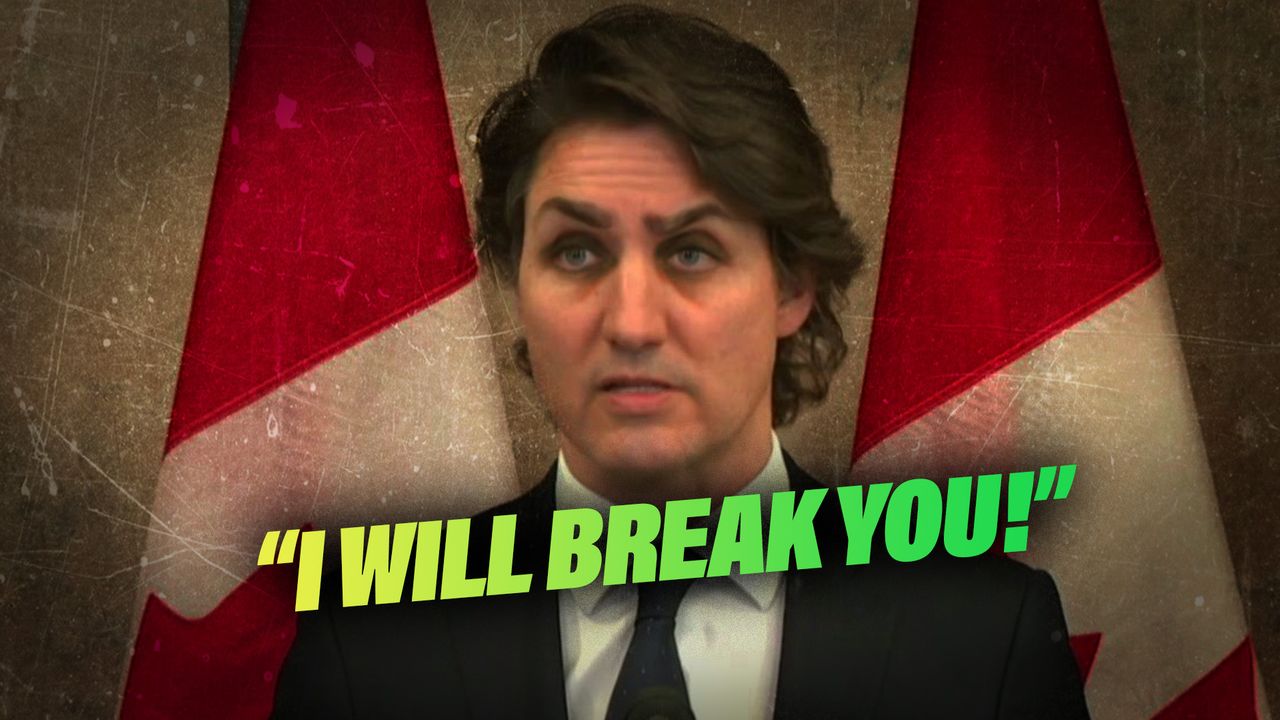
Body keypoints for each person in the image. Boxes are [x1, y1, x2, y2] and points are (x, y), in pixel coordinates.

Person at [273, 5, 1090, 718]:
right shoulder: (368, 649)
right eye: (576, 251)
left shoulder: (985, 637)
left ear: (791, 286)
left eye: (692, 251)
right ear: (515, 284)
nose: (632, 323)